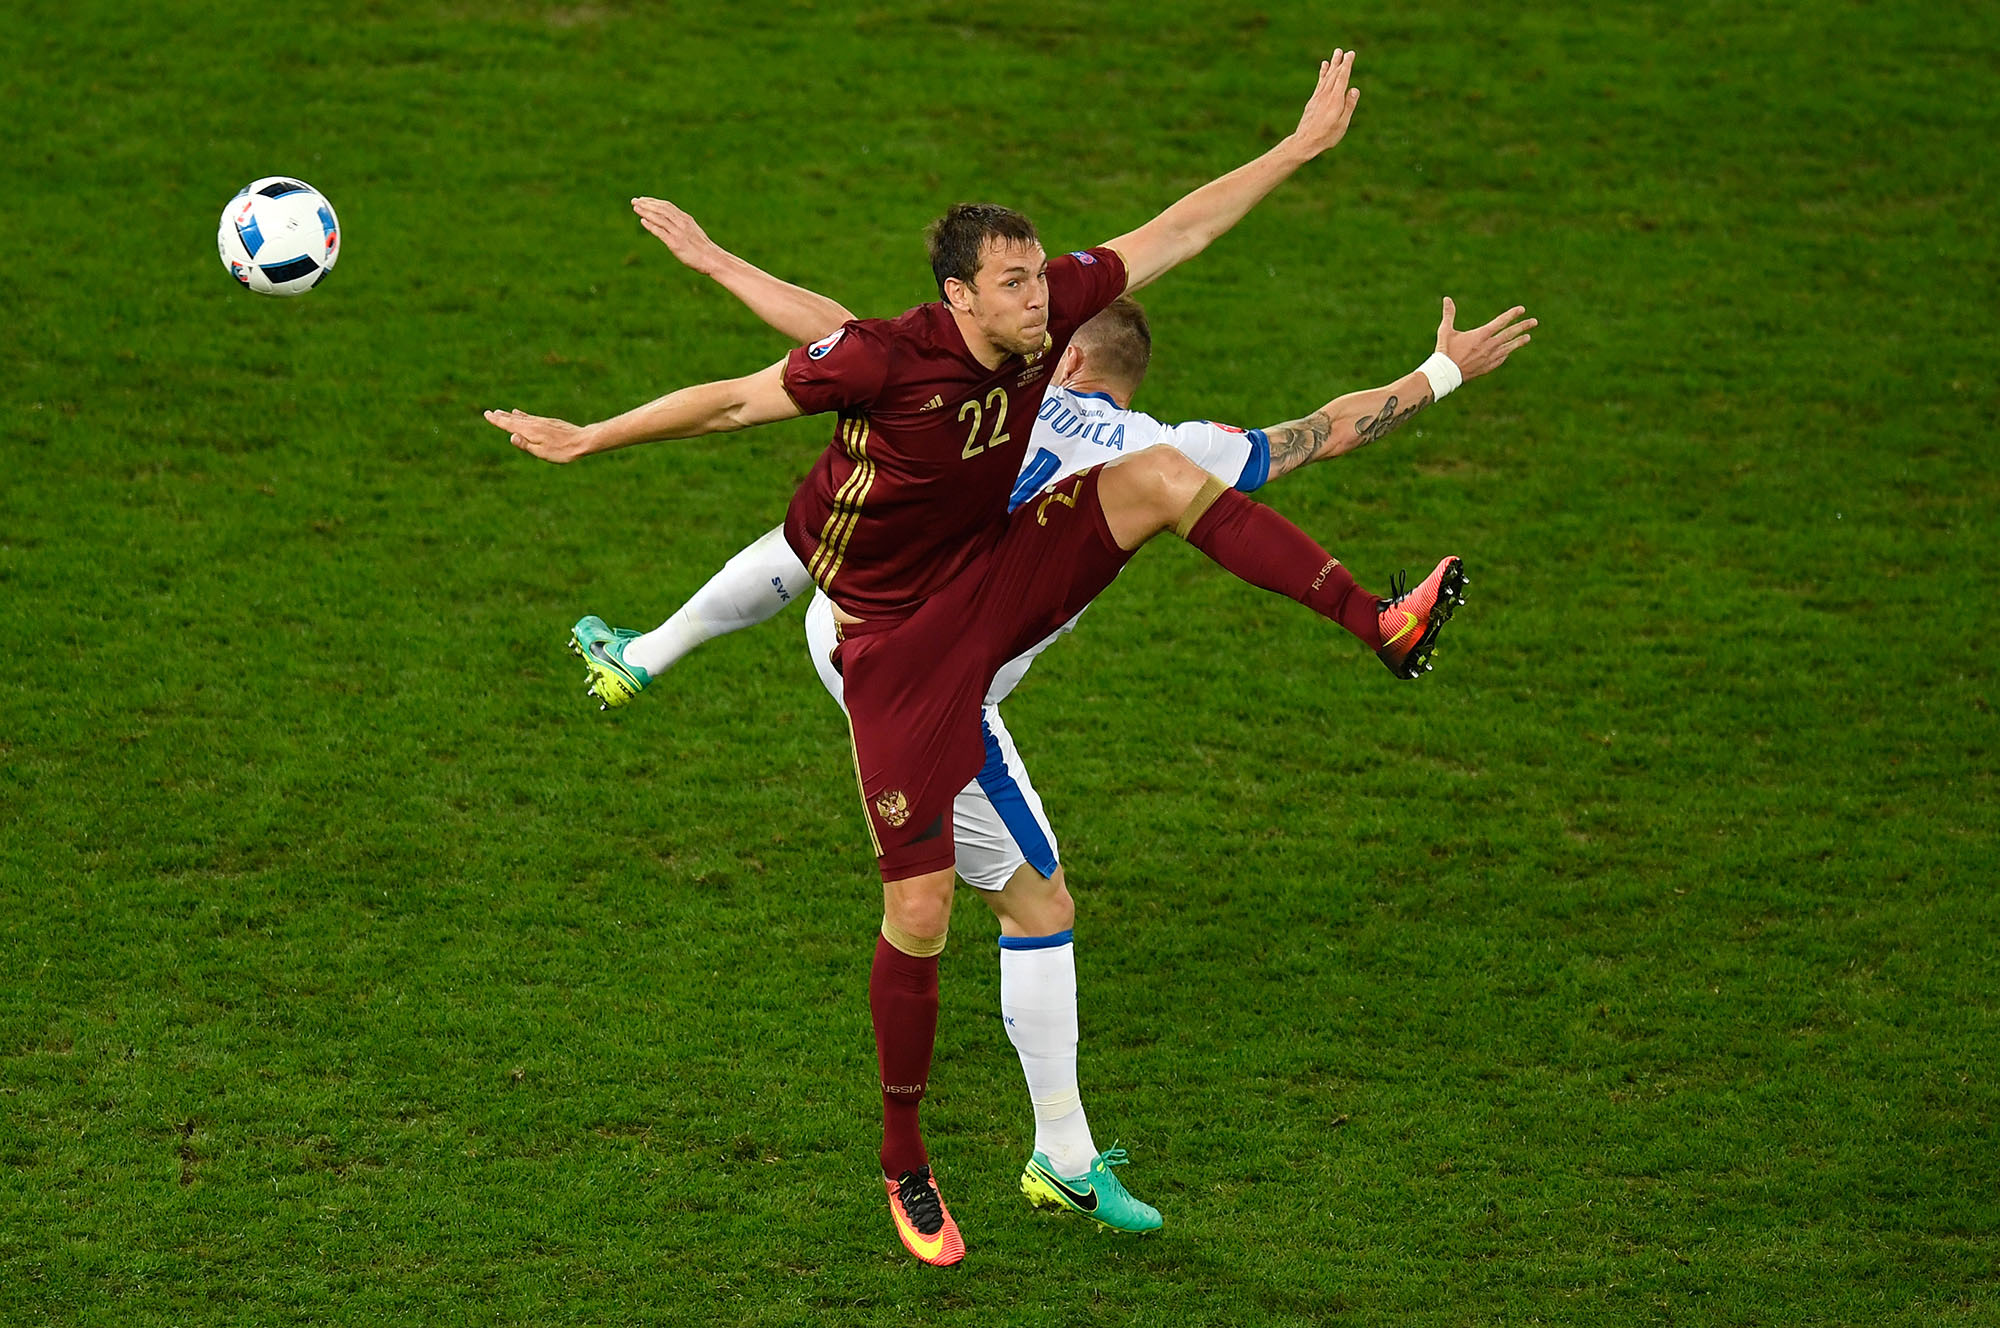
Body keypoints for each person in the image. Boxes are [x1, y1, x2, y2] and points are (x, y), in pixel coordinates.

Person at [488, 50, 1500, 1267]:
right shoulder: (911, 363)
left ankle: (1374, 622)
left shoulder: (1044, 340)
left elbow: (1171, 231)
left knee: (1155, 486)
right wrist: (594, 432)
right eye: (1015, 283)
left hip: (984, 586)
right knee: (927, 910)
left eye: (1043, 284)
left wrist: (1294, 150)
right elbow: (748, 394)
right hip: (898, 656)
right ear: (962, 298)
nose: (1039, 298)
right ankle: (911, 1159)